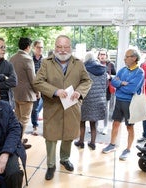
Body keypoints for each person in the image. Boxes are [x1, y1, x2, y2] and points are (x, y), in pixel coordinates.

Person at [33, 35, 92, 180]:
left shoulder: (78, 63)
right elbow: (37, 82)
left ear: (70, 47)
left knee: (69, 136)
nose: (63, 50)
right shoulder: (46, 63)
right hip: (53, 106)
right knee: (51, 137)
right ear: (55, 47)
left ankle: (64, 159)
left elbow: (87, 81)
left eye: (66, 47)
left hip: (72, 107)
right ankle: (51, 165)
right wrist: (55, 91)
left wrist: (79, 92)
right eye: (59, 46)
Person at [102, 48, 144, 161]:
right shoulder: (122, 70)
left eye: (127, 56)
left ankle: (128, 149)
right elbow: (114, 82)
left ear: (134, 58)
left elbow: (131, 89)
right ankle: (112, 144)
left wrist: (119, 85)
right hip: (119, 101)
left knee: (129, 126)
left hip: (130, 103)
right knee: (115, 123)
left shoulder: (140, 72)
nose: (124, 58)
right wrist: (121, 83)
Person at [74, 51, 108, 150]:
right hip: (98, 100)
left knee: (82, 122)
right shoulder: (103, 69)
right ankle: (93, 143)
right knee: (94, 123)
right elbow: (105, 84)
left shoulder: (83, 69)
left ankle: (81, 141)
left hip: (85, 99)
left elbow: (79, 84)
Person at [10, 37, 37, 149]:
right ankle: (18, 142)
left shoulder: (12, 58)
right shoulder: (27, 59)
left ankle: (17, 139)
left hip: (15, 93)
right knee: (24, 119)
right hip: (26, 94)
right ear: (28, 47)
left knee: (17, 118)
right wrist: (37, 91)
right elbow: (32, 79)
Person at [97, 49, 116, 135]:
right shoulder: (96, 64)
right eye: (101, 54)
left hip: (107, 89)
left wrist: (110, 76)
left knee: (105, 109)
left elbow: (116, 76)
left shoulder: (110, 64)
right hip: (97, 89)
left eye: (104, 54)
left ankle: (105, 127)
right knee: (96, 108)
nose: (102, 56)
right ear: (98, 55)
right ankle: (95, 126)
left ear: (106, 56)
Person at [31, 40, 44, 136]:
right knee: (35, 109)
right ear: (34, 48)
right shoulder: (30, 60)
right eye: (38, 47)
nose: (40, 49)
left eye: (41, 47)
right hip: (35, 88)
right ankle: (35, 126)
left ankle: (49, 127)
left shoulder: (46, 60)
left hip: (46, 88)